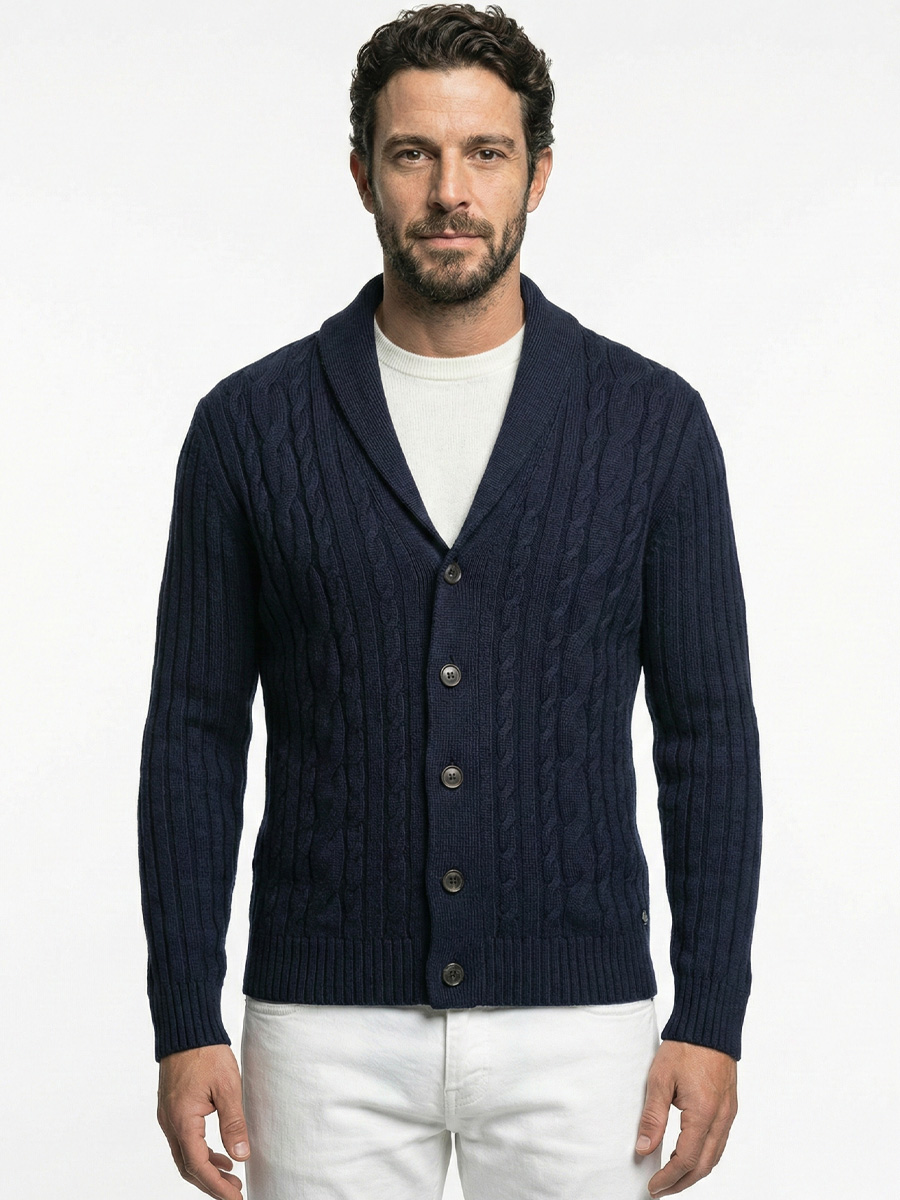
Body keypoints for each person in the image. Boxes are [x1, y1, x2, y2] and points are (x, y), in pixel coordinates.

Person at [138, 5, 763, 1198]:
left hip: (583, 1029)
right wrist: (183, 1017)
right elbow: (193, 735)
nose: (450, 192)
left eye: (485, 152)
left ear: (539, 172)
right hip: (320, 1033)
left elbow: (709, 734)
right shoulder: (249, 429)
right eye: (413, 153)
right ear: (362, 174)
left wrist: (713, 1013)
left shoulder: (651, 425)